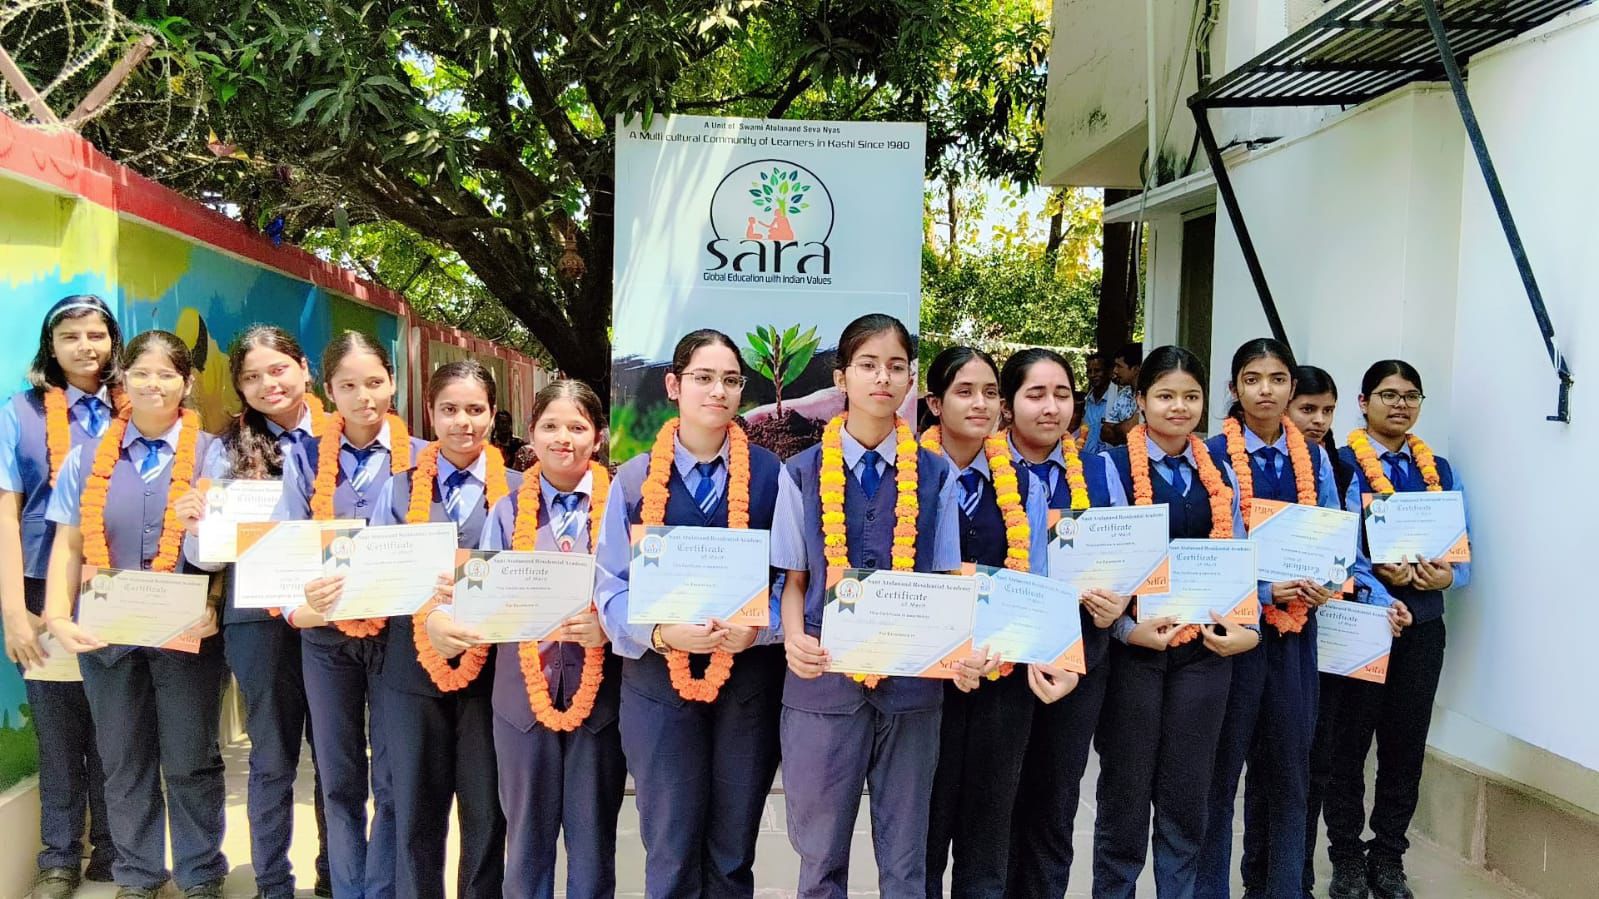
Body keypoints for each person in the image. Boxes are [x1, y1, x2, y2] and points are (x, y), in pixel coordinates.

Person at [773, 313, 964, 899]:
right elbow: (794, 580)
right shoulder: (801, 472)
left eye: (896, 366)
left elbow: (948, 578)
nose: (883, 377)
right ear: (842, 378)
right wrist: (792, 637)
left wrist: (960, 648)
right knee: (820, 857)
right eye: (868, 364)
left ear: (910, 381)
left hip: (911, 685)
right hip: (823, 680)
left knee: (906, 861)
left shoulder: (936, 474)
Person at [593, 329, 787, 898]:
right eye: (703, 378)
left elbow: (790, 579)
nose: (718, 391)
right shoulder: (633, 479)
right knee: (671, 849)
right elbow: (610, 586)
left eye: (731, 380)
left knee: (732, 852)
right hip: (658, 689)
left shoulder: (772, 476)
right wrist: (658, 631)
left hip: (746, 688)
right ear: (674, 386)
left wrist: (759, 629)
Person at [43, 331, 227, 899]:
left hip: (187, 633)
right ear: (122, 379)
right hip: (108, 635)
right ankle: (138, 875)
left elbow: (226, 545)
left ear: (186, 383)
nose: (153, 384)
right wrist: (57, 615)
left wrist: (215, 604)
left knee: (191, 758)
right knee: (123, 760)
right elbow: (68, 544)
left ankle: (200, 873)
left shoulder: (213, 454)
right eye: (141, 373)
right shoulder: (87, 458)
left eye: (167, 374)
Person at [1089, 345, 1254, 899]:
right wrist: (1124, 630)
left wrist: (1246, 628)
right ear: (1140, 400)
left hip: (1203, 655)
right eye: (1165, 395)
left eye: (1191, 396)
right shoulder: (1109, 468)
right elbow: (1098, 569)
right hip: (1134, 652)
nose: (1179, 407)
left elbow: (1237, 554)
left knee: (1188, 794)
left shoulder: (1220, 470)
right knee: (1126, 792)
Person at [920, 346, 1079, 898]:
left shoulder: (1023, 483)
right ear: (935, 403)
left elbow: (1037, 580)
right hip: (929, 680)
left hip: (1003, 678)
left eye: (990, 392)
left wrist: (1048, 653)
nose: (981, 404)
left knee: (988, 834)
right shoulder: (911, 475)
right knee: (924, 834)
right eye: (965, 392)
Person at [180, 325, 332, 899]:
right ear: (240, 387)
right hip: (258, 619)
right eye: (252, 377)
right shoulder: (226, 449)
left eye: (278, 369)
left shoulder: (343, 436)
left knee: (336, 753)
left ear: (304, 369)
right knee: (272, 754)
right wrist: (198, 523)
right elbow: (205, 556)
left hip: (333, 614)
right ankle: (273, 880)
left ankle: (337, 872)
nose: (268, 383)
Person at [1196, 339, 1347, 899]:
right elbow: (1205, 547)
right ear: (1234, 388)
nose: (1266, 390)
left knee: (1289, 772)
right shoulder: (1209, 454)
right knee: (1219, 776)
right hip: (1230, 636)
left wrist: (1328, 582)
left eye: (1278, 379)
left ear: (1291, 387)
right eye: (1253, 379)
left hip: (1295, 635)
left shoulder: (1314, 458)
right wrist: (1259, 589)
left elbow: (1334, 536)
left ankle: (1279, 888)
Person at [276, 330, 421, 899]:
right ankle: (348, 887)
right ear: (328, 390)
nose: (365, 397)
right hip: (326, 638)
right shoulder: (304, 456)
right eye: (349, 386)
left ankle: (381, 888)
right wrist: (299, 608)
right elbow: (288, 544)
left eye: (375, 382)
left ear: (393, 383)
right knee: (338, 777)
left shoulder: (421, 457)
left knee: (391, 776)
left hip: (397, 636)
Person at [374, 360, 518, 899]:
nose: (464, 422)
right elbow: (383, 574)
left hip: (492, 676)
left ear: (493, 414)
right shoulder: (398, 490)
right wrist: (430, 617)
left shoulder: (520, 492)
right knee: (415, 807)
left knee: (486, 809)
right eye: (450, 409)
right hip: (412, 671)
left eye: (475, 409)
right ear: (430, 414)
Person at [478, 380, 627, 899]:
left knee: (593, 841)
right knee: (525, 841)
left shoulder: (621, 507)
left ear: (599, 436)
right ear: (532, 433)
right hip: (522, 701)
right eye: (550, 426)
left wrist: (608, 625)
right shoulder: (505, 512)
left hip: (599, 703)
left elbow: (636, 590)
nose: (564, 438)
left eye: (577, 427)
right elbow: (486, 604)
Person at [1322, 360, 1463, 899]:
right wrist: (1376, 577)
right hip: (1359, 624)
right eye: (1388, 394)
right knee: (1347, 746)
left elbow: (1462, 549)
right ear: (1363, 403)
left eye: (1411, 395)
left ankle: (1388, 856)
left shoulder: (1440, 470)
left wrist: (1448, 575)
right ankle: (1346, 857)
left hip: (1423, 627)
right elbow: (1331, 544)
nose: (1400, 404)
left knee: (1405, 748)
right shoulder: (1338, 464)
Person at [0, 295, 122, 899]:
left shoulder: (135, 404)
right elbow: (6, 513)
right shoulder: (19, 412)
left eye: (95, 334)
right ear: (51, 345)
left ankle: (116, 849)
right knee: (57, 729)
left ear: (112, 340)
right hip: (38, 588)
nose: (84, 347)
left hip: (118, 583)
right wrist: (12, 613)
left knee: (117, 723)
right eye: (70, 336)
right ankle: (58, 857)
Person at [1003, 347, 1124, 898]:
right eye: (1036, 394)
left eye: (1062, 395)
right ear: (1008, 405)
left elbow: (1124, 560)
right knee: (997, 802)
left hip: (1080, 657)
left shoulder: (1098, 472)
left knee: (1056, 801)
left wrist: (1119, 602)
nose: (1051, 407)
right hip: (1001, 659)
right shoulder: (981, 468)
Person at [1079, 350, 1121, 456]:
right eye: (1089, 371)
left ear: (1109, 372)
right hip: (1086, 459)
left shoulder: (1120, 400)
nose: (1093, 375)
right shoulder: (1087, 401)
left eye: (1097, 371)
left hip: (1111, 460)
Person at [1101, 343, 1143, 447]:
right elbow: (1105, 433)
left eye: (1119, 366)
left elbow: (1130, 429)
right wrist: (1125, 428)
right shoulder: (1124, 394)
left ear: (1135, 369)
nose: (1115, 371)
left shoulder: (1148, 396)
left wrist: (1116, 429)